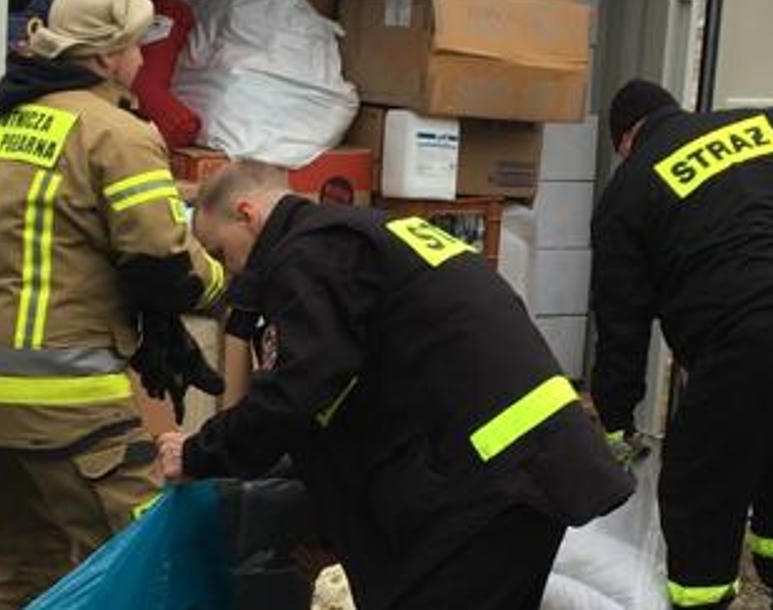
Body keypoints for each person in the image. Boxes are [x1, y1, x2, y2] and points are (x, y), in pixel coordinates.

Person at [156, 161, 633, 610]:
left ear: (248, 215)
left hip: (489, 484)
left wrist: (200, 452)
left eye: (222, 252)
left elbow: (298, 390)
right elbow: (349, 402)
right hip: (523, 470)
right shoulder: (363, 236)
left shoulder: (309, 253)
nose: (232, 270)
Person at [0, 0, 227, 609]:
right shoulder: (117, 135)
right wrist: (230, 284)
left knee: (20, 571)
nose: (140, 56)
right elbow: (167, 266)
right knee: (148, 556)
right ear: (105, 57)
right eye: (133, 44)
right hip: (66, 397)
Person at [591, 80, 773, 610]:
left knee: (700, 487)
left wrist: (614, 417)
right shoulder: (765, 124)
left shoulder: (630, 187)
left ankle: (702, 602)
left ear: (626, 139)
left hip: (749, 338)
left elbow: (621, 321)